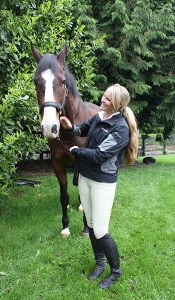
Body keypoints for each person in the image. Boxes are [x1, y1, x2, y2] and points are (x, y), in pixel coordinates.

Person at [60, 83, 138, 289]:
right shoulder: (99, 116)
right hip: (85, 178)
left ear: (118, 104)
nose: (102, 100)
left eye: (107, 99)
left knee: (101, 230)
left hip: (102, 181)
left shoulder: (120, 128)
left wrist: (76, 151)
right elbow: (82, 129)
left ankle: (115, 271)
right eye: (103, 96)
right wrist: (70, 127)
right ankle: (100, 263)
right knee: (92, 225)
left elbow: (99, 155)